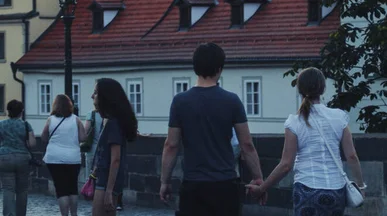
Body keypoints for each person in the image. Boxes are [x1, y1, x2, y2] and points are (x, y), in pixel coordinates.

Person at [160, 42, 265, 216]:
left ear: (195, 68)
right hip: (225, 184)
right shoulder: (232, 101)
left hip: (193, 184)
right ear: (220, 69)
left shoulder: (180, 102)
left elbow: (171, 145)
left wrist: (165, 181)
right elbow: (246, 145)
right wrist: (259, 178)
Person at [247, 67, 366, 216]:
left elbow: (285, 165)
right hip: (337, 191)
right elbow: (352, 156)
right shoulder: (339, 117)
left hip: (307, 189)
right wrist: (360, 186)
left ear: (300, 90)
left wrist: (262, 188)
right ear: (323, 89)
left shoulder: (295, 122)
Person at [91, 78, 138, 216]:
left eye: (95, 92)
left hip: (106, 183)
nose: (92, 96)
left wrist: (109, 191)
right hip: (103, 180)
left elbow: (115, 159)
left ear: (105, 97)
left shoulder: (113, 123)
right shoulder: (111, 121)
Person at [42, 94, 86, 216]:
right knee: (72, 188)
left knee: (61, 189)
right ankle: (74, 214)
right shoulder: (76, 119)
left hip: (54, 158)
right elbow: (83, 138)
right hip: (73, 158)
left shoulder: (50, 119)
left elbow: (44, 137)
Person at [0, 99, 36, 216]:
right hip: (22, 158)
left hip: (5, 158)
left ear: (8, 111)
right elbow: (32, 144)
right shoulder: (26, 125)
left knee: (8, 188)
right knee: (22, 189)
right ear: (21, 111)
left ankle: (9, 214)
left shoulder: (1, 124)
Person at [84, 108, 104, 180]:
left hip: (92, 150)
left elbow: (85, 132)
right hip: (105, 150)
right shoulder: (109, 114)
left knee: (89, 177)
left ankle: (89, 190)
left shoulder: (91, 114)